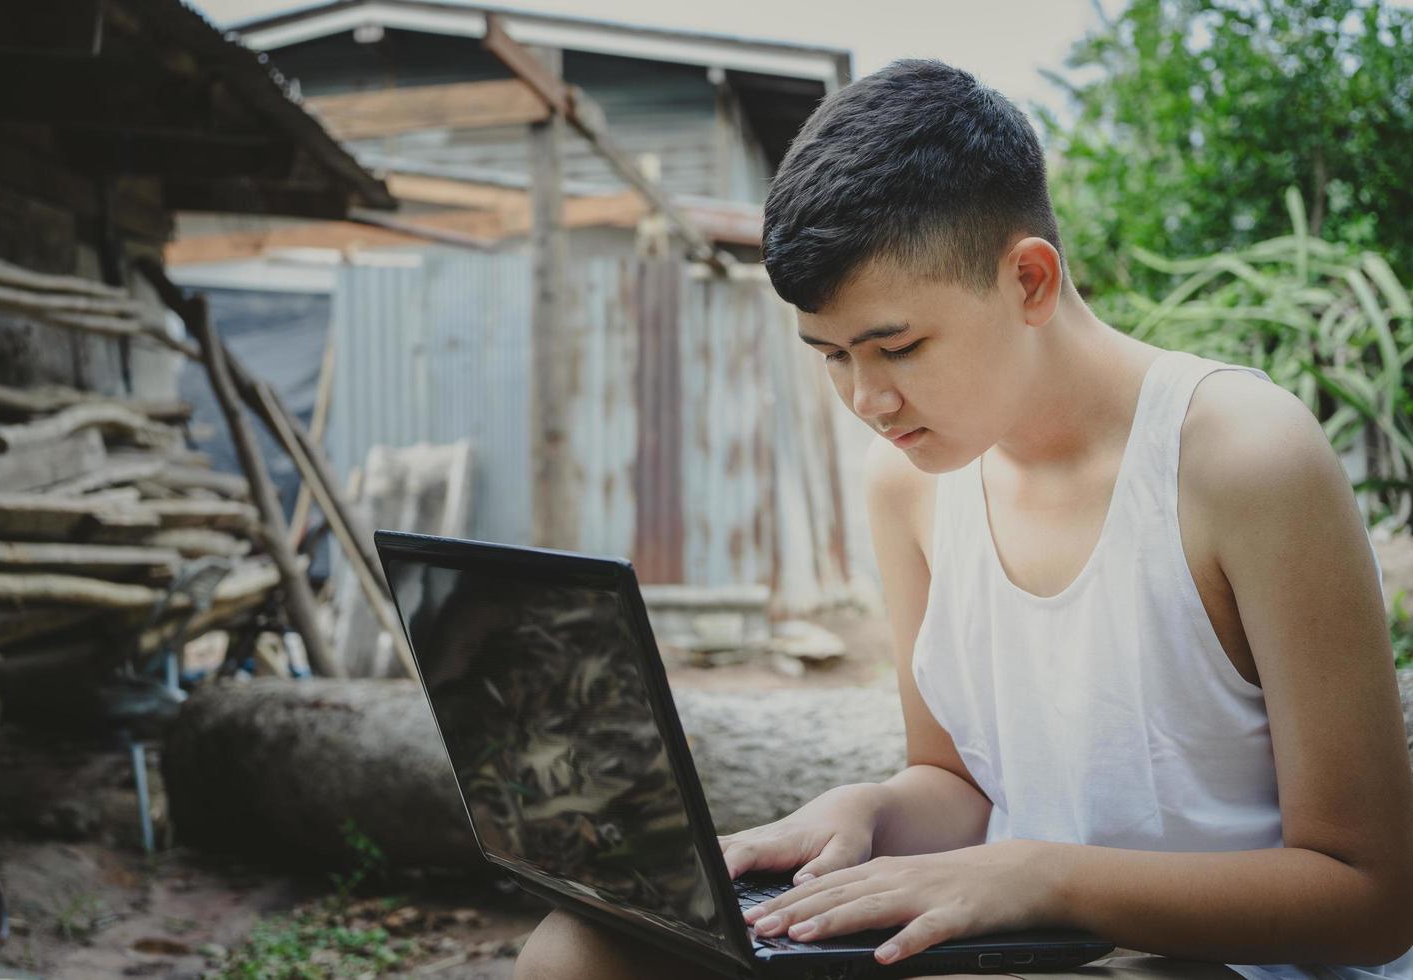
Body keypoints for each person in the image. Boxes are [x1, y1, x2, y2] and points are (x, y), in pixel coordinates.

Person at [514, 59, 1413, 980]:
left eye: (896, 347)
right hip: (1035, 946)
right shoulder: (908, 484)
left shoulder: (1243, 460)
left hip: (1227, 964)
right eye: (830, 356)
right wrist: (867, 810)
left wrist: (1046, 876)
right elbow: (957, 784)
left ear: (1028, 280)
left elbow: (1370, 899)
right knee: (578, 950)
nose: (867, 397)